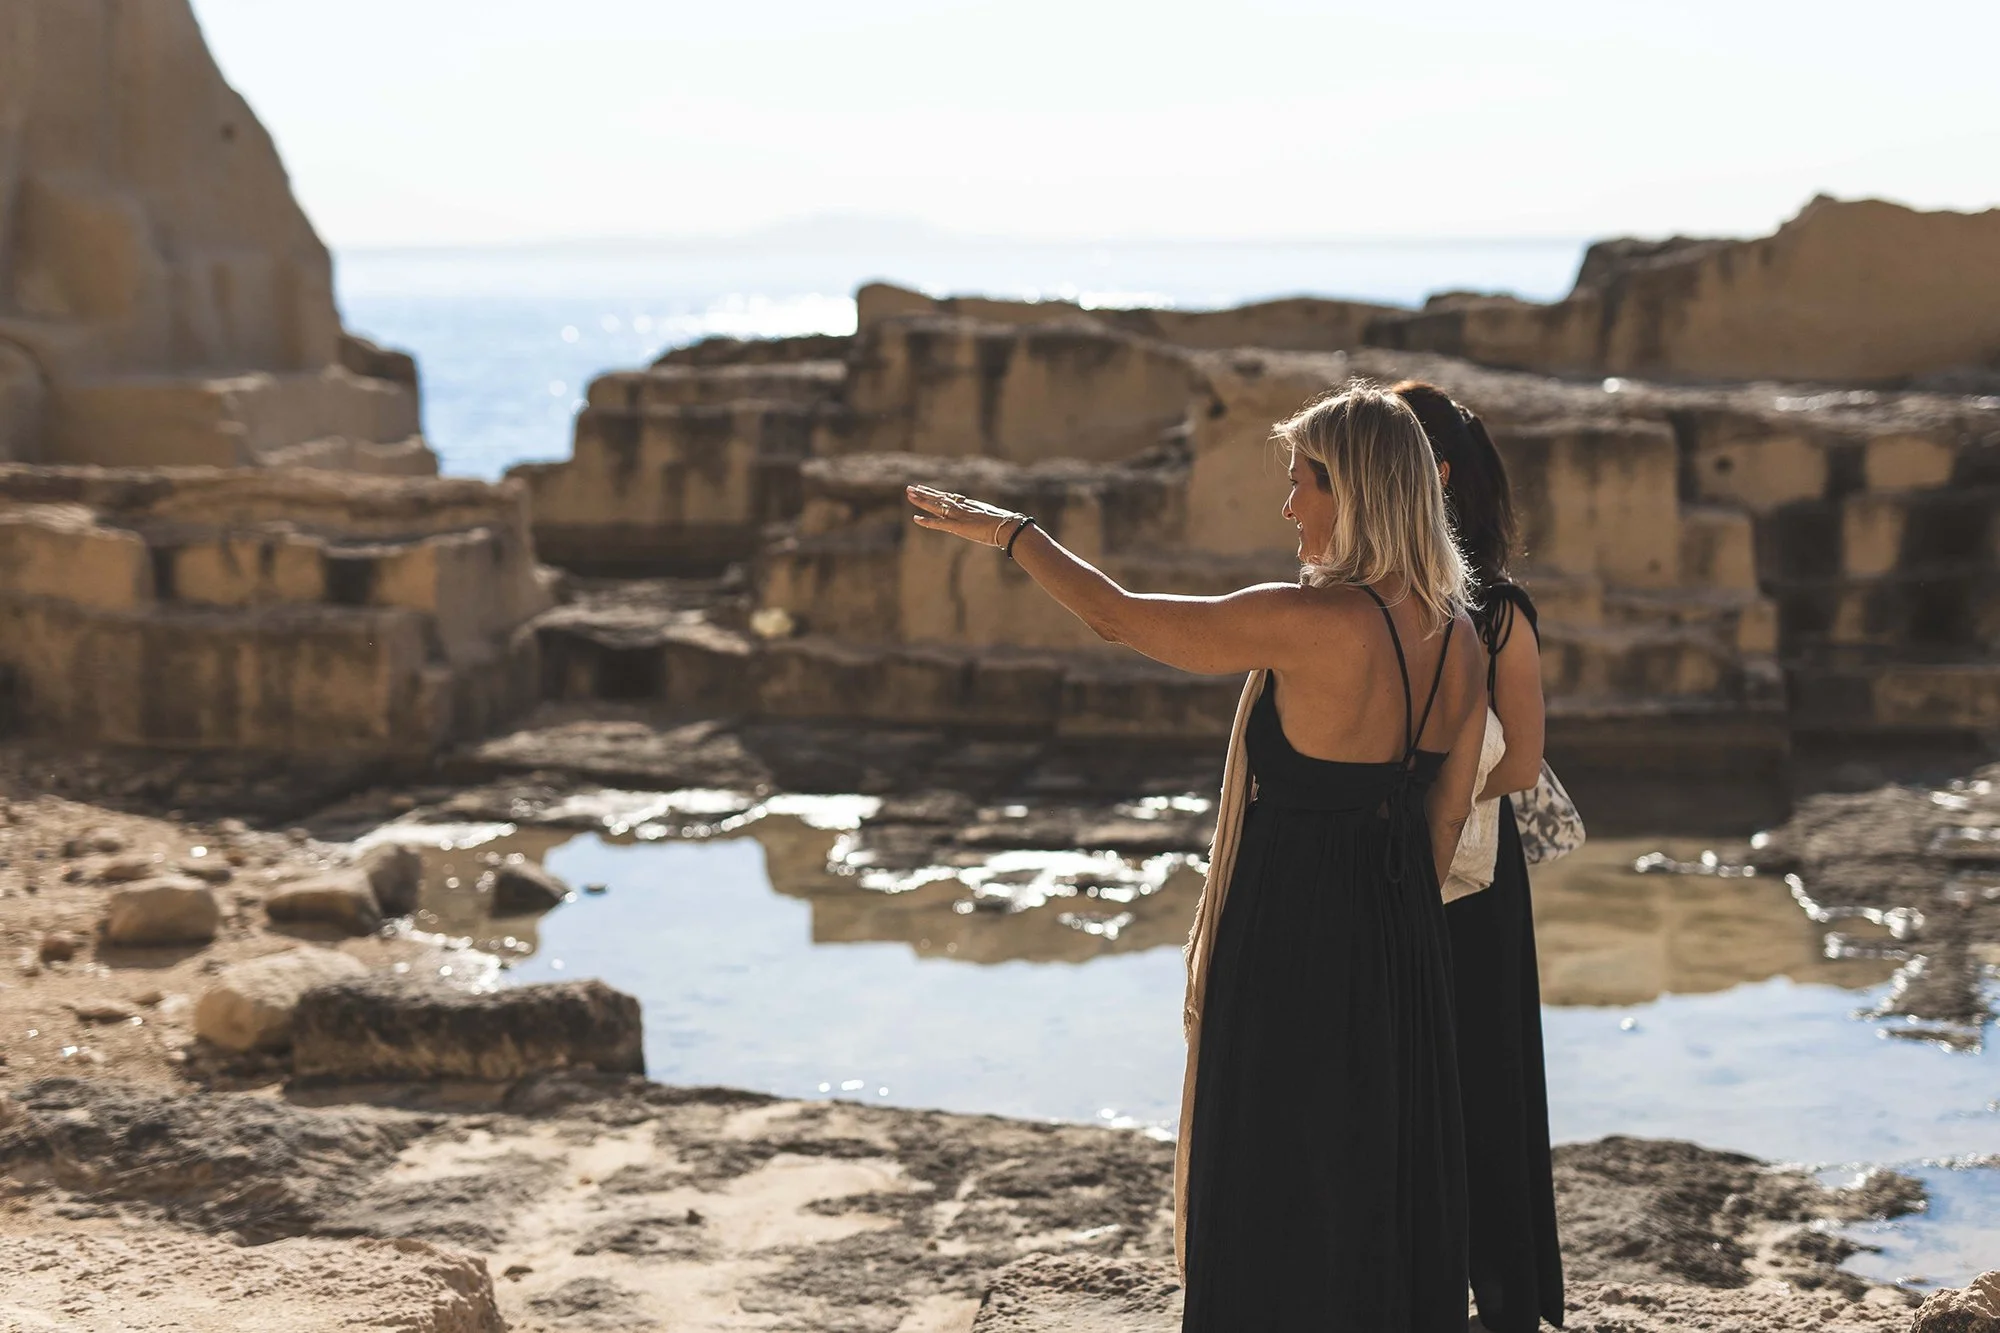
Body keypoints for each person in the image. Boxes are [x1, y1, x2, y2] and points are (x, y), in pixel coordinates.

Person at [908, 384, 1486, 1330]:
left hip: (1293, 919)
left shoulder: (1316, 621)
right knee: (1372, 1154)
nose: (1289, 505)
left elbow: (1122, 617)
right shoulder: (1458, 636)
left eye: (1303, 482)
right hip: (1397, 928)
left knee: (1271, 1152)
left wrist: (1014, 534)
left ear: (1360, 494)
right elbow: (1447, 813)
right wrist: (1394, 934)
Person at [1395, 380, 1566, 1333]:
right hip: (1388, 870)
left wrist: (1427, 798)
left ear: (1436, 473)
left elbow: (1527, 761)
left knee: (1482, 1081)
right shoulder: (1364, 598)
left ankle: (1500, 1300)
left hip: (1471, 882)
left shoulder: (1496, 610)